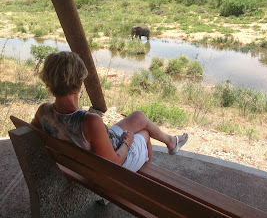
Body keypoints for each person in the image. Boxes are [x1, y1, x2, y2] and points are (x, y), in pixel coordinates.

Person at [31, 51, 188, 172]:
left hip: (87, 155)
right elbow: (114, 162)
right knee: (144, 133)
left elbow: (33, 133)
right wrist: (127, 142)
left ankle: (171, 141)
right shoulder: (90, 121)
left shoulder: (43, 111)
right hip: (110, 170)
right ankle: (143, 185)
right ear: (79, 83)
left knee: (138, 117)